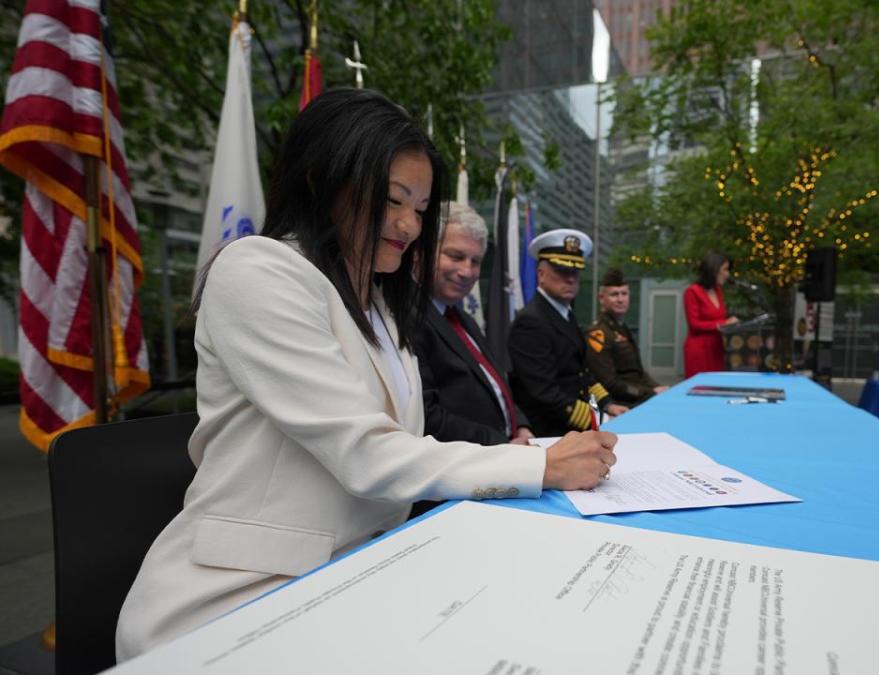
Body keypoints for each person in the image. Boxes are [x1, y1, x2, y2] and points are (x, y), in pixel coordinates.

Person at [115, 89, 617, 660]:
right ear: (319, 180)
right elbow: (367, 453)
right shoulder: (259, 270)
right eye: (391, 199)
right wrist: (539, 464)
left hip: (362, 572)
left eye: (421, 209)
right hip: (238, 600)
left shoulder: (380, 303)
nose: (408, 225)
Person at [412, 202, 534, 445]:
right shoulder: (407, 316)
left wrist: (521, 425)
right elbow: (425, 417)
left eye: (475, 261)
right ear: (421, 252)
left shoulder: (462, 317)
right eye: (456, 256)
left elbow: (494, 382)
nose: (467, 272)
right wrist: (501, 445)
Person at [508, 229, 630, 436]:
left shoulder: (565, 313)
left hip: (572, 422)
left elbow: (581, 374)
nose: (571, 279)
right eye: (561, 271)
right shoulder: (530, 321)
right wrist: (598, 418)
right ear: (541, 274)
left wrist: (607, 403)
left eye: (575, 272)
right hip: (549, 430)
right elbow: (543, 393)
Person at [585, 268, 668, 406]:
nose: (620, 299)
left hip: (637, 397)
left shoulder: (622, 328)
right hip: (620, 403)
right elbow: (608, 383)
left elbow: (637, 372)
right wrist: (649, 393)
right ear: (601, 298)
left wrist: (656, 387)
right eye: (614, 294)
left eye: (624, 294)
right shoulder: (598, 333)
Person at [684, 251, 738, 378]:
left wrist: (730, 324)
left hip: (716, 347)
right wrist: (723, 323)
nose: (727, 274)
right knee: (700, 388)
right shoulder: (692, 291)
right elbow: (694, 324)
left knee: (717, 385)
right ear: (714, 270)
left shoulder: (718, 291)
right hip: (699, 350)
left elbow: (720, 318)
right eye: (725, 270)